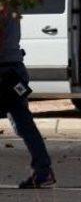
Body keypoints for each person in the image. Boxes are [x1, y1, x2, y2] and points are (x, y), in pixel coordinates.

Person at [0, 12, 56, 188]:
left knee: (23, 123)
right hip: (13, 71)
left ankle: (43, 170)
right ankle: (43, 170)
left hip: (5, 72)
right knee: (23, 123)